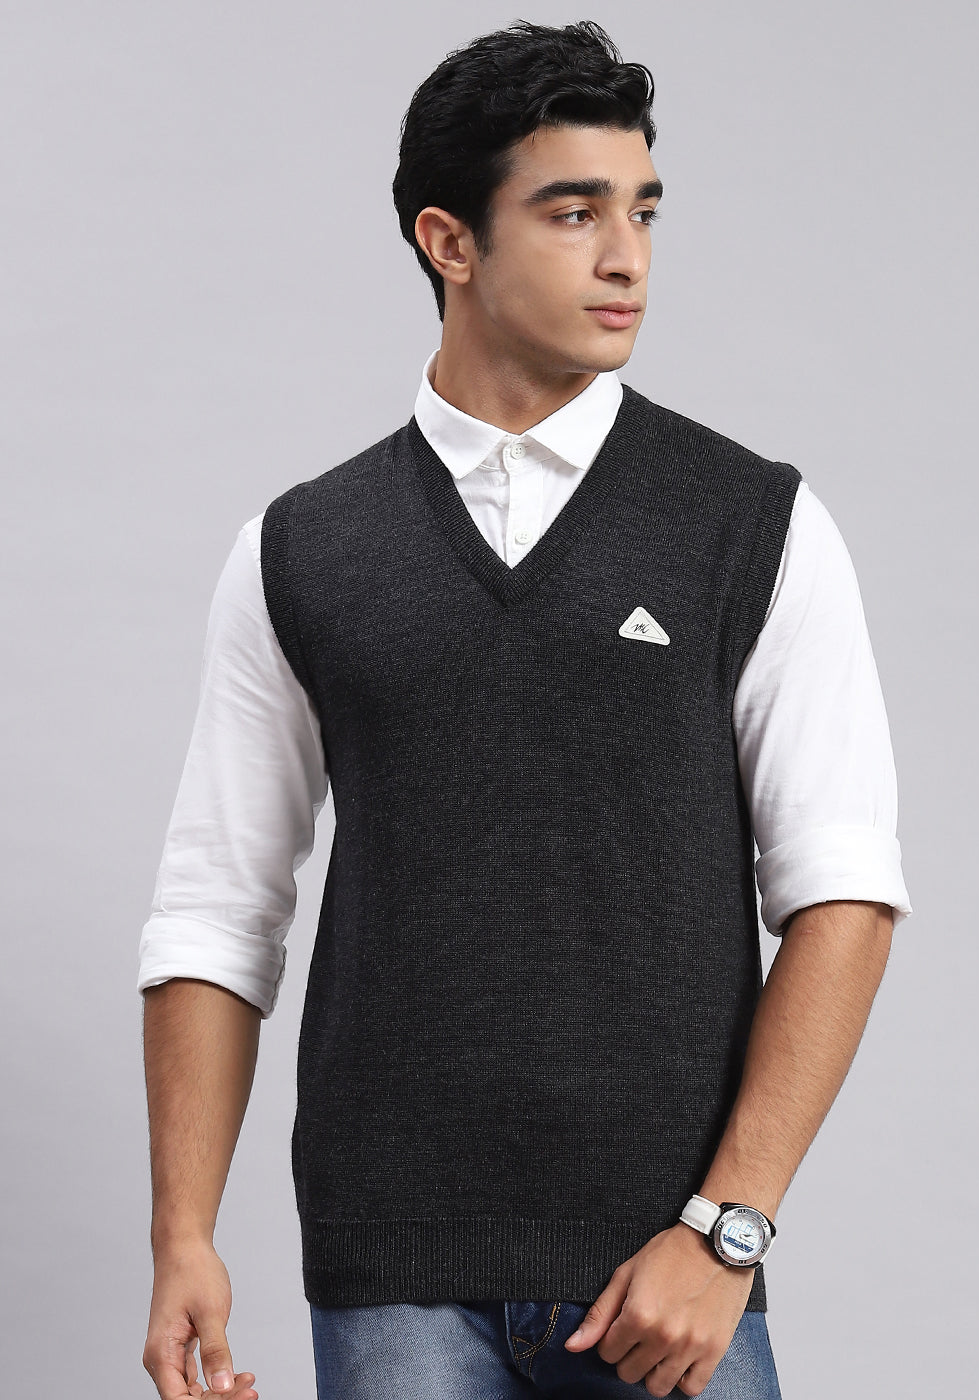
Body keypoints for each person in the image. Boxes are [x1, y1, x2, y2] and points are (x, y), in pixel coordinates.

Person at [138, 19, 911, 1400]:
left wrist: (725, 1232)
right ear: (449, 242)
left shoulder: (754, 525)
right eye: (573, 212)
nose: (628, 258)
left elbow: (844, 896)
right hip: (393, 1279)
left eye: (644, 211)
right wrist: (182, 1234)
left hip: (669, 1274)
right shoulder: (300, 550)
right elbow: (216, 909)